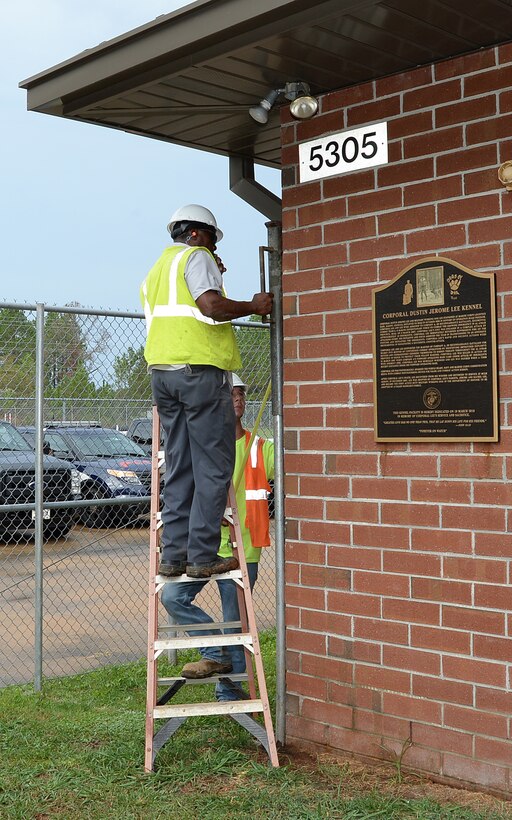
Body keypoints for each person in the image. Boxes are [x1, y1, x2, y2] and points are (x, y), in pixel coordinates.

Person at [140, 204, 273, 580]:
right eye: (213, 240)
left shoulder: (157, 269)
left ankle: (174, 555)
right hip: (199, 373)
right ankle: (201, 555)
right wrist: (252, 305)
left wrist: (213, 272)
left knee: (180, 465)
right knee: (214, 465)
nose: (215, 250)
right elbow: (210, 306)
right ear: (196, 234)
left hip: (163, 375)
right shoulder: (196, 256)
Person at [160, 373, 275, 699]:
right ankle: (216, 652)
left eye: (241, 394)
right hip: (204, 549)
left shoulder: (259, 449)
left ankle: (229, 692)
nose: (237, 399)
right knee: (172, 597)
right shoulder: (201, 450)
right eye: (230, 394)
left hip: (244, 549)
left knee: (233, 620)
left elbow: (290, 467)